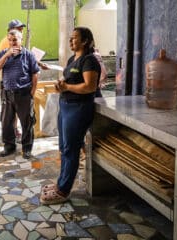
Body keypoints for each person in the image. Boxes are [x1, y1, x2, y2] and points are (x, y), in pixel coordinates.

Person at [39, 27, 101, 205]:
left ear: (85, 41)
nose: (71, 41)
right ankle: (60, 183)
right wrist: (62, 84)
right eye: (70, 38)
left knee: (71, 149)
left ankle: (64, 190)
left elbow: (90, 87)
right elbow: (71, 80)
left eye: (74, 38)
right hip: (65, 106)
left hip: (79, 108)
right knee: (64, 148)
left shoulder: (90, 60)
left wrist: (67, 88)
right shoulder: (72, 59)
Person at [0, 29, 40, 159]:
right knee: (6, 122)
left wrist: (32, 92)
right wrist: (6, 55)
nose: (12, 42)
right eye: (10, 40)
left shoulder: (28, 55)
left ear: (21, 40)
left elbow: (35, 74)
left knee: (27, 122)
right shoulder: (4, 53)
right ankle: (9, 147)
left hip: (23, 93)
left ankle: (27, 148)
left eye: (15, 40)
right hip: (7, 93)